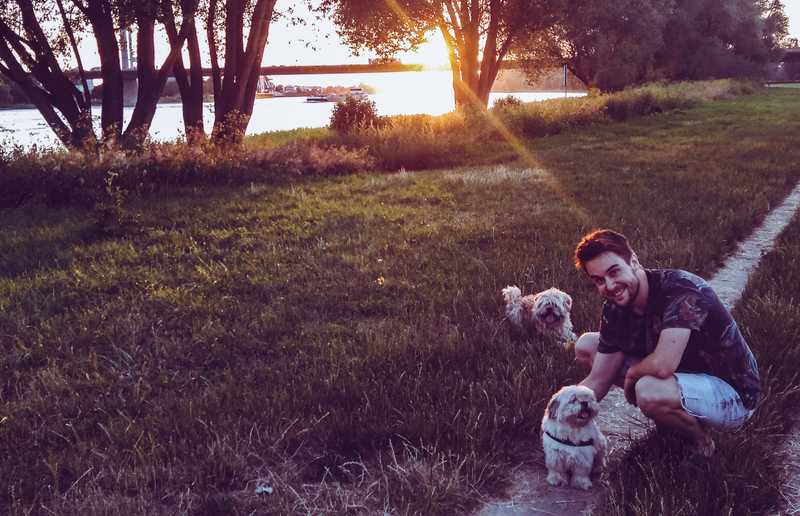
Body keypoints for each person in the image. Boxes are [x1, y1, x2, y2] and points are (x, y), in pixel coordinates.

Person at [573, 229, 759, 456]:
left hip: (732, 395)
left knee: (647, 389)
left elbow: (663, 365)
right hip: (685, 380)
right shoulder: (615, 307)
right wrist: (559, 414)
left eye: (614, 272)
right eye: (599, 280)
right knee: (588, 345)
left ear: (634, 261)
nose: (609, 286)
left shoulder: (681, 290)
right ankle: (673, 415)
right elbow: (599, 379)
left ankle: (701, 442)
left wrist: (632, 376)